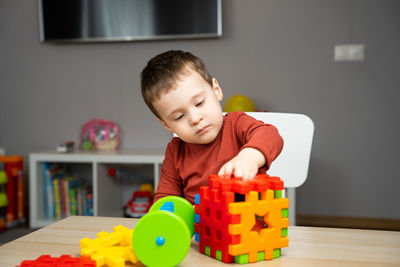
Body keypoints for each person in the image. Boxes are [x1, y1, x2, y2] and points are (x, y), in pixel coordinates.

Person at [141, 50, 283, 204]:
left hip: (248, 222)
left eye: (199, 103)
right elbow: (165, 200)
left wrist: (249, 158)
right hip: (200, 226)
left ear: (216, 90)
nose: (195, 119)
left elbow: (270, 135)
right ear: (167, 125)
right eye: (179, 117)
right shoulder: (175, 152)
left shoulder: (236, 124)